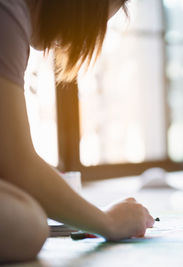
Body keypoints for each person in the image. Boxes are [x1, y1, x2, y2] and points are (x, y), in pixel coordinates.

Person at [0, 0, 154, 263]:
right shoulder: (7, 15)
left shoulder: (16, 23)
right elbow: (17, 162)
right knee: (27, 225)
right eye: (95, 23)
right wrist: (107, 221)